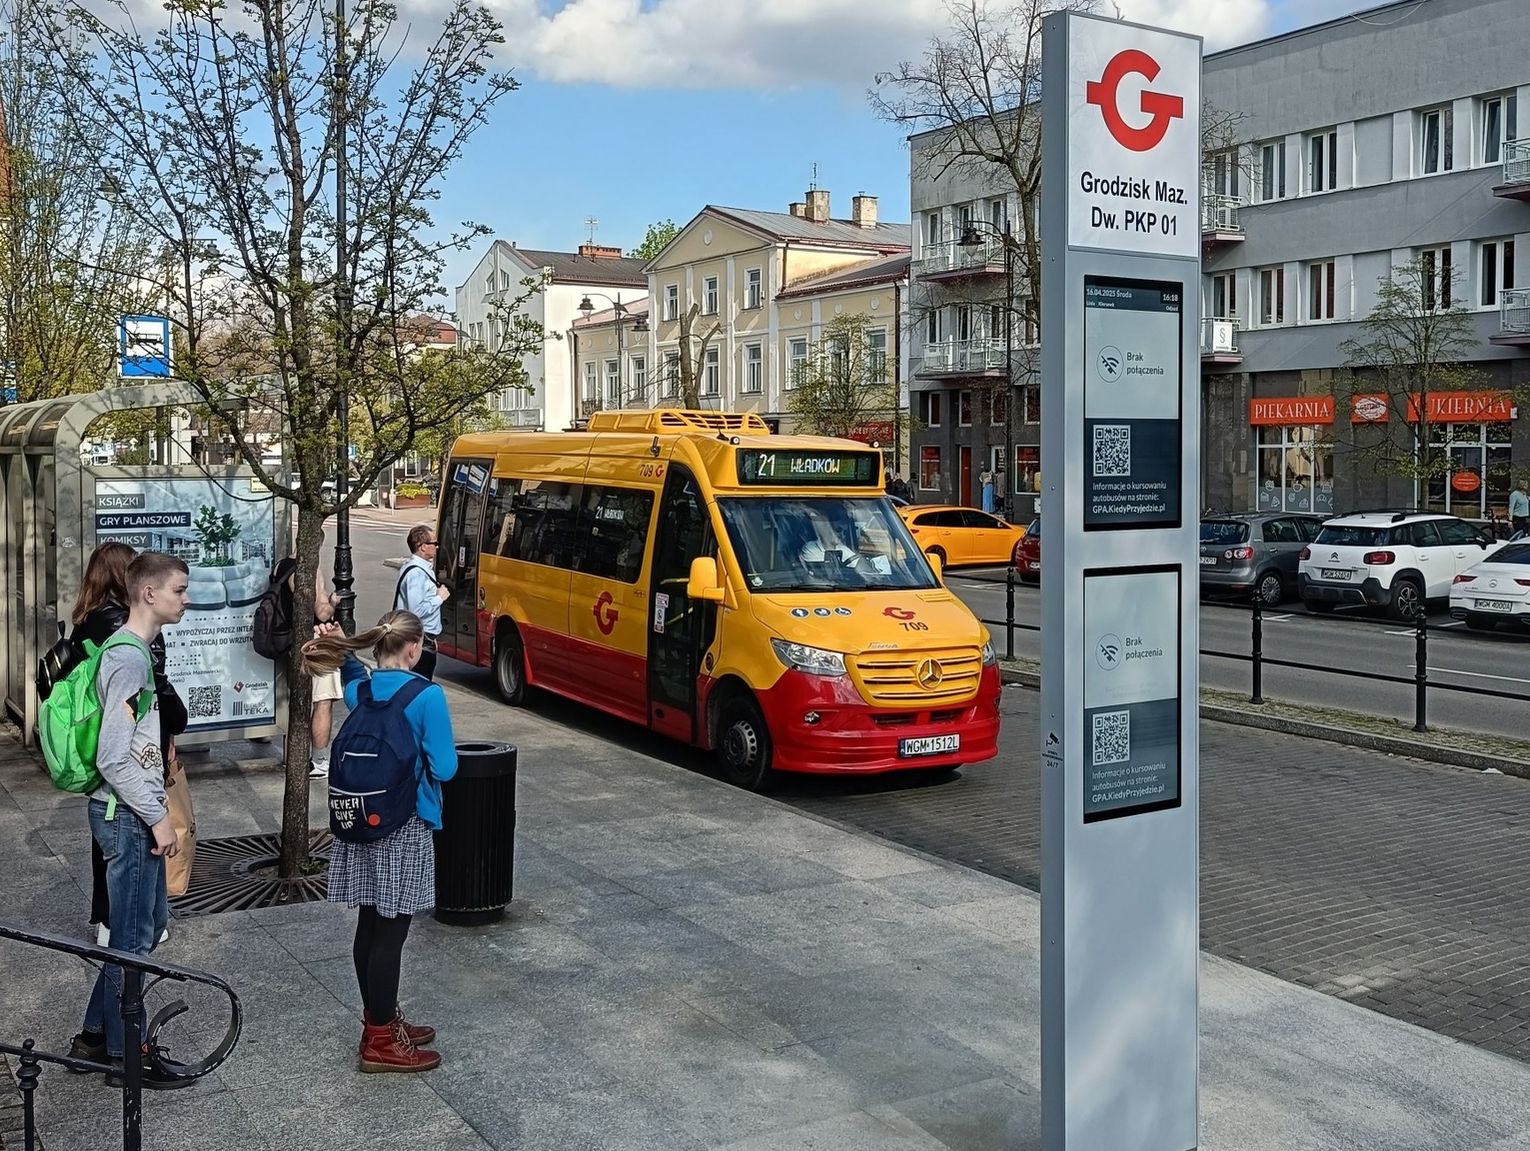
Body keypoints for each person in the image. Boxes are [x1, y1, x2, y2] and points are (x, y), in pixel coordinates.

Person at [302, 611, 457, 1074]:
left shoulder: (364, 692)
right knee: (391, 934)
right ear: (414, 648)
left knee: (369, 927)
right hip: (403, 826)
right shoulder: (426, 695)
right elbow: (446, 767)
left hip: (360, 822)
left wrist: (341, 644)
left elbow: (352, 674)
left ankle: (380, 1020)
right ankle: (381, 1040)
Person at [68, 552, 190, 1090]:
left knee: (136, 929)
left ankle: (96, 1036)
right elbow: (113, 757)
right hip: (127, 815)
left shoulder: (132, 651)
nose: (185, 599)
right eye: (179, 590)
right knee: (134, 940)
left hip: (126, 811)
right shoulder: (129, 659)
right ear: (148, 593)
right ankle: (125, 1056)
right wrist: (158, 817)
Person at [393, 525, 447, 680]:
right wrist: (439, 598)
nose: (437, 546)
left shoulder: (418, 568)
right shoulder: (416, 573)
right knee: (418, 683)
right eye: (434, 543)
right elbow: (415, 611)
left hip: (422, 640)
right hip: (419, 642)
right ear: (423, 547)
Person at [308, 568, 343, 779]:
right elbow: (322, 613)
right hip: (316, 641)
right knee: (323, 700)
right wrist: (332, 603)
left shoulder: (280, 567)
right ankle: (319, 761)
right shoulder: (313, 568)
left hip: (290, 642)